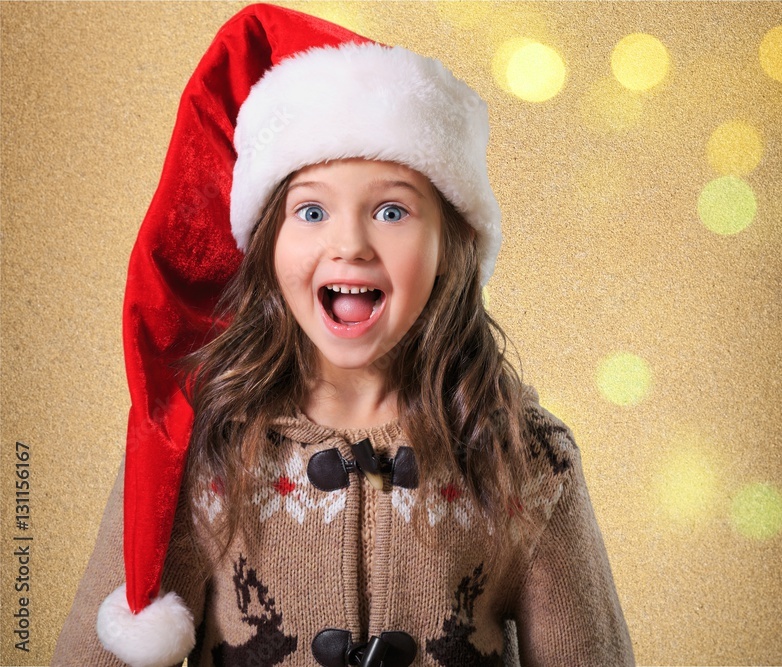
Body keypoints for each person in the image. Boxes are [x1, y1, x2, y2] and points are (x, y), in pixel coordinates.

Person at [52, 4, 634, 666]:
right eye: (311, 209)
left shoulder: (528, 460)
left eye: (391, 210)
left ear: (454, 243)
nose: (350, 243)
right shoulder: (194, 451)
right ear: (267, 244)